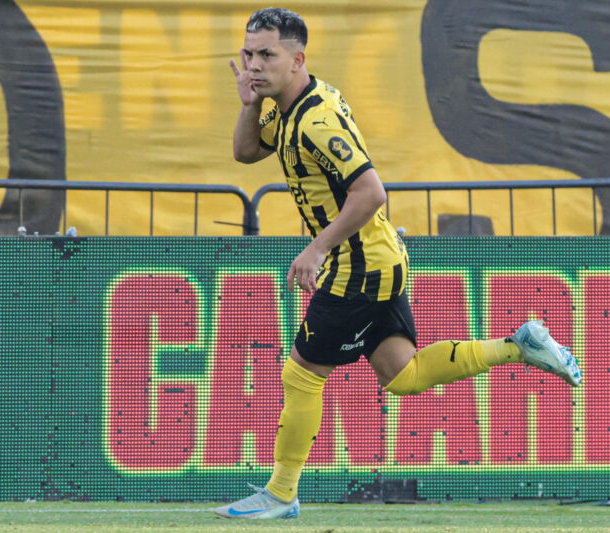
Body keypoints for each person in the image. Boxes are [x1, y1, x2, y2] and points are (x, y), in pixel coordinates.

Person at [214, 7, 581, 520]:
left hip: (357, 265)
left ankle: (281, 493)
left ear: (297, 59)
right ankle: (517, 346)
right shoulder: (291, 106)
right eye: (249, 53)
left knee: (300, 375)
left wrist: (317, 247)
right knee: (402, 374)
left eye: (267, 55)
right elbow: (245, 151)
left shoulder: (316, 120)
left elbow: (371, 192)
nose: (254, 64)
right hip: (379, 258)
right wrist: (250, 104)